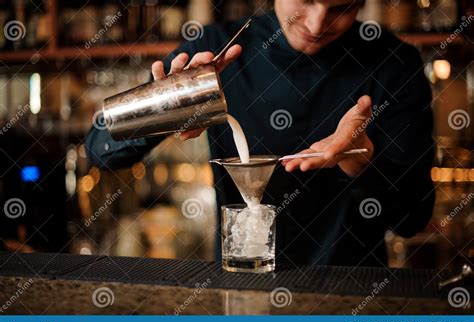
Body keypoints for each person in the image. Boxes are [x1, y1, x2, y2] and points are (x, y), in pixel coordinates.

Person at [86, 0, 435, 267]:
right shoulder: (217, 48)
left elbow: (413, 219)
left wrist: (361, 159)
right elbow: (100, 150)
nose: (316, 23)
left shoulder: (393, 63)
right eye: (307, 0)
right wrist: (163, 107)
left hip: (349, 294)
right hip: (242, 285)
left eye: (340, 8)